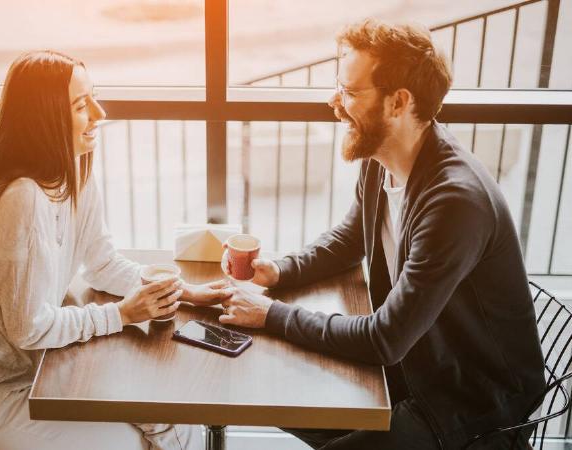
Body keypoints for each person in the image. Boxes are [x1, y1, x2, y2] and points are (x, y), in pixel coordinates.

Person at [220, 19, 546, 450]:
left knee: (289, 387)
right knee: (274, 391)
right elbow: (349, 239)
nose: (334, 102)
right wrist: (277, 272)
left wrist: (269, 315)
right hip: (418, 364)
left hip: (468, 398)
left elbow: (384, 338)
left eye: (351, 92)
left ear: (398, 102)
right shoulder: (384, 158)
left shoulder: (454, 203)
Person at [0, 50, 228, 450]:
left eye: (94, 96)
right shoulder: (20, 199)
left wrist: (180, 292)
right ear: (45, 118)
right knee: (154, 433)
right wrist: (122, 314)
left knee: (167, 418)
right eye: (80, 105)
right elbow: (29, 328)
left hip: (45, 375)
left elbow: (103, 262)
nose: (99, 113)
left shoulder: (75, 170)